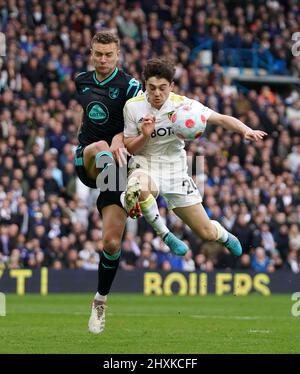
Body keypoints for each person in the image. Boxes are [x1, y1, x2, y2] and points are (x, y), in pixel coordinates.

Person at [122, 58, 267, 261]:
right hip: (145, 164)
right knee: (137, 185)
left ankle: (224, 236)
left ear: (171, 86)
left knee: (206, 232)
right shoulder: (133, 107)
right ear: (145, 84)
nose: (156, 93)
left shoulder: (184, 106)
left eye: (162, 88)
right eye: (152, 88)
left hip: (176, 170)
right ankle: (165, 235)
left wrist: (246, 129)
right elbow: (129, 146)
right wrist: (145, 135)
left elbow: (221, 118)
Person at [74, 31, 142, 334]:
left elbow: (132, 129)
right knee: (99, 148)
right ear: (91, 53)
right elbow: (85, 118)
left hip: (117, 166)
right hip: (88, 158)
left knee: (112, 243)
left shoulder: (130, 87)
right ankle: (101, 168)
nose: (103, 60)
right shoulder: (81, 81)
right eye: (98, 54)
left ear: (118, 54)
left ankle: (100, 301)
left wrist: (119, 140)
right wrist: (106, 142)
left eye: (108, 55)